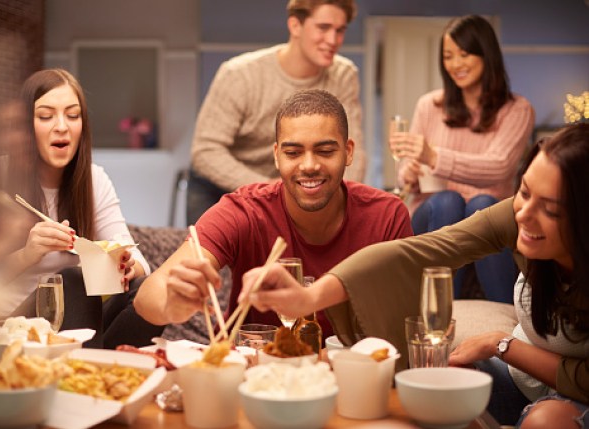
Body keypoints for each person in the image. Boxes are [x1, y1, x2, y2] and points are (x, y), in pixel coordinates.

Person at [242, 123, 589, 427]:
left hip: (572, 400)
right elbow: (421, 252)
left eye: (551, 210)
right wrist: (310, 298)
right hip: (518, 383)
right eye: (524, 193)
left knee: (547, 421)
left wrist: (503, 344)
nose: (525, 215)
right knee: (429, 390)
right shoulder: (519, 219)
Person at [135, 89, 411, 341]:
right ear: (277, 155)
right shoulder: (244, 210)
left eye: (325, 151)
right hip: (250, 375)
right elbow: (147, 295)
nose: (310, 165)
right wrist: (171, 304)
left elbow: (405, 319)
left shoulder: (386, 215)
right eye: (293, 152)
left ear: (348, 152)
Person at [0, 68, 159, 349]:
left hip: (74, 327)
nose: (62, 126)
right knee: (72, 280)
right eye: (46, 116)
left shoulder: (94, 179)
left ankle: (97, 368)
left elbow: (133, 254)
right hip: (6, 329)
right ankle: (91, 371)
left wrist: (126, 264)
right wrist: (26, 254)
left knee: (152, 290)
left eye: (73, 116)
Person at [391, 15, 535, 303]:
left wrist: (434, 156)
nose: (455, 64)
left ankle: (506, 319)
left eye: (464, 54)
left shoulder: (517, 109)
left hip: (487, 213)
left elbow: (500, 166)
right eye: (448, 56)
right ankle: (439, 311)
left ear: (486, 55)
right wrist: (409, 173)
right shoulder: (430, 105)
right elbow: (408, 172)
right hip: (434, 211)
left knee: (482, 205)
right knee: (448, 201)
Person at [187, 0, 366, 225]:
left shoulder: (343, 75)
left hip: (291, 186)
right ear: (295, 26)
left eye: (340, 30)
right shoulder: (240, 75)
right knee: (208, 258)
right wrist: (270, 190)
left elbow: (353, 149)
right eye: (323, 28)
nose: (333, 40)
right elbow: (205, 150)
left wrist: (337, 196)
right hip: (222, 187)